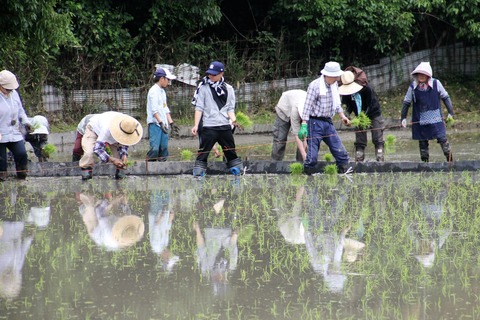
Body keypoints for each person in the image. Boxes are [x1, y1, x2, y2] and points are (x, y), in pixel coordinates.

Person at [191, 61, 243, 177]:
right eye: (210, 74)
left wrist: (234, 121)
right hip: (209, 127)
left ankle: (238, 175)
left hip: (224, 127)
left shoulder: (229, 89)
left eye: (214, 74)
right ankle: (198, 175)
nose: (211, 76)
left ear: (221, 74)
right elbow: (199, 108)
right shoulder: (203, 88)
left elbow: (230, 108)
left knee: (231, 152)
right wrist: (196, 125)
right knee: (203, 153)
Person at [298, 61, 351, 175]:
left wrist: (342, 116)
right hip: (314, 123)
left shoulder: (334, 85)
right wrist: (303, 124)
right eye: (335, 76)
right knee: (312, 157)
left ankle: (343, 173)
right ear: (328, 75)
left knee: (341, 153)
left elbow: (337, 103)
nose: (337, 78)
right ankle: (307, 176)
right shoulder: (315, 86)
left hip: (328, 122)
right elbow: (307, 106)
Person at [401, 62, 454, 162]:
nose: (421, 76)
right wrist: (403, 118)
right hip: (420, 121)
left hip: (436, 119)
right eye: (419, 74)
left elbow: (445, 97)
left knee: (443, 141)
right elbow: (406, 102)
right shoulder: (413, 87)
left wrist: (450, 113)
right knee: (423, 147)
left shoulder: (436, 83)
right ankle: (425, 167)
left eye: (423, 74)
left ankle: (451, 163)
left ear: (428, 75)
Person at [79, 111, 143, 180]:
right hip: (94, 129)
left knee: (120, 156)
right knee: (89, 153)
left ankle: (120, 172)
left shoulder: (128, 125)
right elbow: (97, 149)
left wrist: (124, 155)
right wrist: (112, 160)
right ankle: (86, 172)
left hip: (112, 134)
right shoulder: (106, 129)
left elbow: (124, 144)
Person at [338, 67, 385, 162]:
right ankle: (359, 155)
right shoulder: (346, 93)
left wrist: (362, 117)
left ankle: (380, 155)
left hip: (373, 112)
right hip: (359, 114)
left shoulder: (366, 88)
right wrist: (347, 115)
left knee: (377, 134)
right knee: (360, 136)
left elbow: (370, 104)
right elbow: (348, 106)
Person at [0, 70, 32, 180]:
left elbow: (20, 110)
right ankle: (2, 181)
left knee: (21, 154)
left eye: (10, 89)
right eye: (6, 89)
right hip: (1, 133)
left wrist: (26, 122)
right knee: (1, 160)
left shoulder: (14, 94)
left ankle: (22, 176)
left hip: (14, 131)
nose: (9, 91)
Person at [146, 67, 178, 162]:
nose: (168, 82)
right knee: (155, 149)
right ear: (162, 79)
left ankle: (162, 168)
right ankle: (148, 166)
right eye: (168, 79)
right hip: (155, 124)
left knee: (164, 148)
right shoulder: (153, 91)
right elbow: (154, 110)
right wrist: (160, 123)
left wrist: (171, 123)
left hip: (163, 124)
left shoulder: (162, 92)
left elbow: (165, 108)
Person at [271, 89, 308, 162]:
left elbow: (304, 133)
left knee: (305, 140)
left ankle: (301, 163)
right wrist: (304, 154)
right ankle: (275, 164)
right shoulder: (295, 111)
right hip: (284, 109)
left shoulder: (311, 108)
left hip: (297, 101)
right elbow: (297, 134)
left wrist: (305, 141)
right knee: (280, 138)